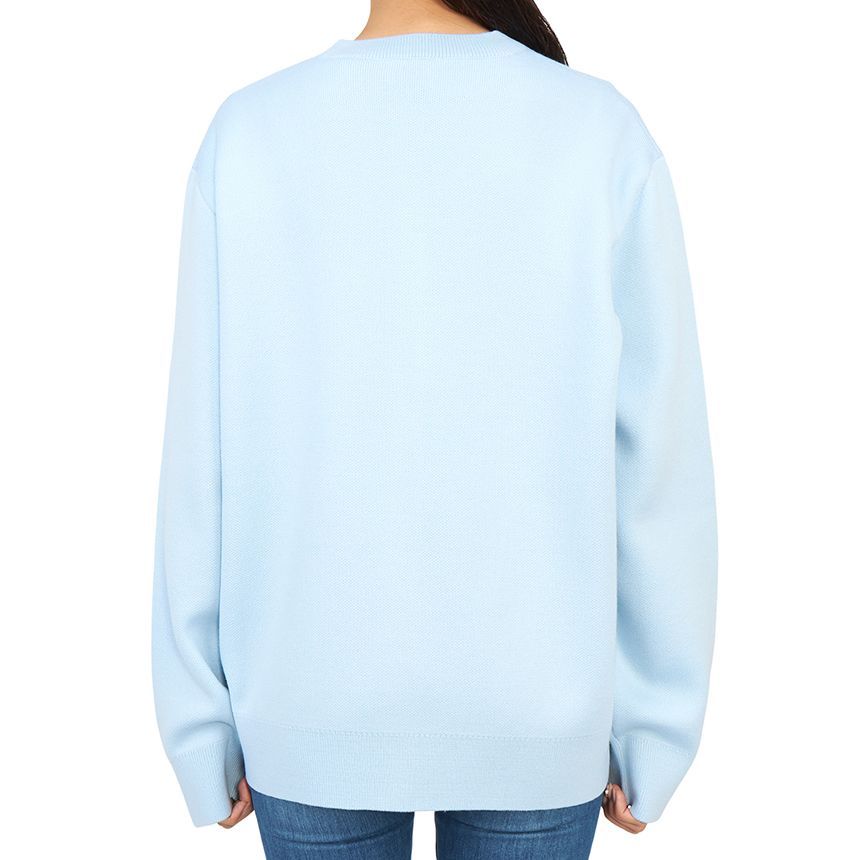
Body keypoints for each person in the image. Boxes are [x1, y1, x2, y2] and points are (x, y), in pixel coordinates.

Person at [150, 1, 718, 857]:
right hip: (539, 714)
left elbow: (202, 454)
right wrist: (657, 726)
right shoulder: (598, 132)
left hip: (307, 706)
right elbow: (660, 462)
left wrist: (200, 723)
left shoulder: (252, 135)